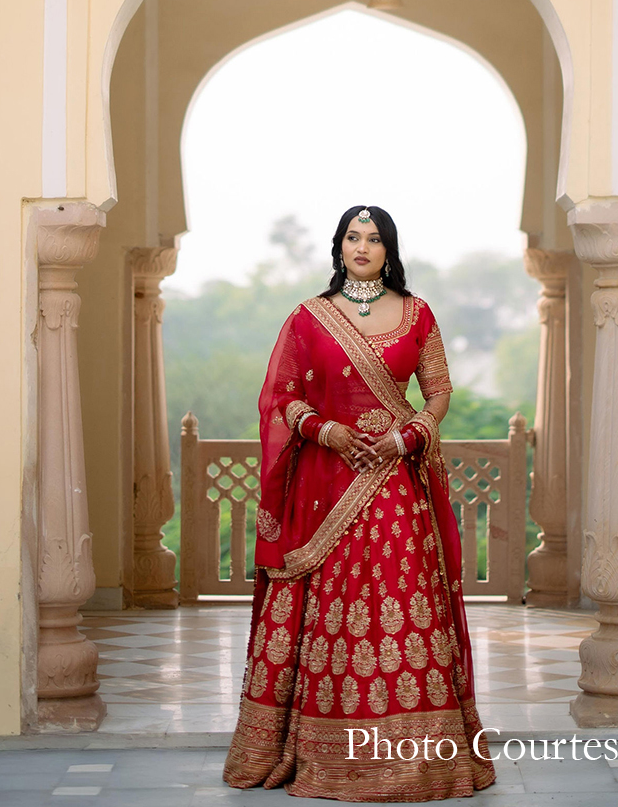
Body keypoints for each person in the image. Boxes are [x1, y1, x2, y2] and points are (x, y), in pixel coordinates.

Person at [223, 205, 496, 801]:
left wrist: (411, 434)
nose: (363, 246)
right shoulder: (309, 318)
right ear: (339, 246)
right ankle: (322, 749)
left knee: (403, 599)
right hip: (329, 485)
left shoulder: (418, 312)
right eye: (354, 237)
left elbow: (440, 389)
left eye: (374, 238)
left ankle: (420, 757)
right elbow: (281, 396)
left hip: (397, 480)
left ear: (389, 248)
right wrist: (326, 431)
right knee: (335, 607)